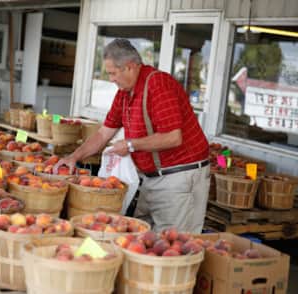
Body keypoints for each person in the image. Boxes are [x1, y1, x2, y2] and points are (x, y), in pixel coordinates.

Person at [54, 38, 210, 233]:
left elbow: (172, 137)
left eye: (112, 73)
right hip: (150, 177)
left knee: (174, 243)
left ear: (129, 67)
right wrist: (74, 157)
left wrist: (130, 145)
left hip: (179, 176)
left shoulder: (158, 84)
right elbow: (103, 134)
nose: (110, 79)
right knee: (141, 235)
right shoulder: (124, 93)